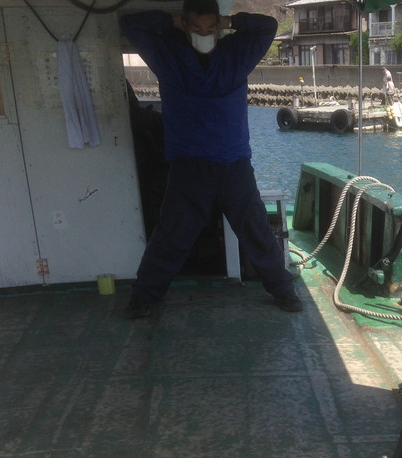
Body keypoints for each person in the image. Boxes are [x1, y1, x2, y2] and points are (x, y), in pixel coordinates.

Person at [120, 0, 302, 318]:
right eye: (196, 28)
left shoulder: (236, 54)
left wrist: (229, 22)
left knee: (255, 229)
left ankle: (283, 290)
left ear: (218, 28)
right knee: (173, 234)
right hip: (190, 165)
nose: (204, 34)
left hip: (234, 163)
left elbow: (267, 27)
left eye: (210, 28)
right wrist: (172, 22)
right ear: (185, 25)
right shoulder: (168, 55)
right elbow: (130, 25)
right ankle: (144, 297)